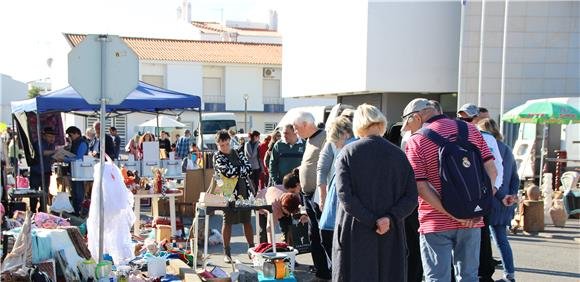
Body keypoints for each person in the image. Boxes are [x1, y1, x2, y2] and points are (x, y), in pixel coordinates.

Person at [404, 99, 511, 282]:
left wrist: (454, 214)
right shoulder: (469, 130)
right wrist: (477, 207)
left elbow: (420, 186)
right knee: (469, 277)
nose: (408, 128)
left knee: (438, 278)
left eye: (408, 122)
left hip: (435, 222)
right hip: (473, 219)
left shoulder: (417, 140)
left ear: (417, 116)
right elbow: (492, 170)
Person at [332, 104, 418, 281]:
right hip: (390, 231)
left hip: (356, 230)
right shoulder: (399, 155)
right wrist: (389, 218)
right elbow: (411, 197)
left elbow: (345, 197)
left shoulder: (347, 153)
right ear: (381, 123)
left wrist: (372, 221)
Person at [458, 104, 504, 282]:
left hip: (482, 193)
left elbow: (497, 166)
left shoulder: (486, 138)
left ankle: (484, 273)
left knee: (481, 235)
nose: (466, 122)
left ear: (477, 118)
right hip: (462, 194)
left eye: (469, 118)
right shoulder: (453, 135)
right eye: (462, 119)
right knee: (462, 235)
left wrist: (493, 190)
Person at [400, 99, 444, 282]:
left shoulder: (414, 138)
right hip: (459, 205)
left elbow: (415, 180)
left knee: (419, 254)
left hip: (424, 206)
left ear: (417, 117)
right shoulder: (462, 131)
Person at [477, 118, 519, 282]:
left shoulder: (485, 148)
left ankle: (481, 274)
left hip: (490, 200)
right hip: (505, 201)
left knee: (482, 242)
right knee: (501, 240)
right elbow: (515, 177)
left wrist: (500, 195)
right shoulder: (507, 149)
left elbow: (492, 176)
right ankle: (510, 274)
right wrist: (511, 195)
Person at [293, 111, 331, 280]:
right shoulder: (309, 139)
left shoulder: (324, 137)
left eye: (296, 128)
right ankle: (321, 272)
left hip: (319, 195)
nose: (295, 131)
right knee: (313, 235)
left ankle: (330, 271)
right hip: (308, 195)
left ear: (307, 125)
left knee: (323, 235)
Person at [213, 130, 255, 263]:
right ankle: (227, 252)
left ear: (230, 142)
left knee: (247, 220)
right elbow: (225, 171)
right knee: (228, 221)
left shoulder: (238, 152)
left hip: (243, 190)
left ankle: (252, 250)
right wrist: (239, 170)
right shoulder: (217, 156)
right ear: (217, 144)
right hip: (228, 192)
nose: (224, 147)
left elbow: (249, 168)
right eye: (221, 145)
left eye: (226, 144)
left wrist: (235, 170)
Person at [318, 116, 354, 268]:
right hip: (335, 217)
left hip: (335, 219)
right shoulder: (349, 149)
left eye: (335, 139)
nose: (335, 144)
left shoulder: (348, 151)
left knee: (339, 262)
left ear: (345, 134)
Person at [258, 169, 308, 244]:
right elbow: (269, 227)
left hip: (283, 202)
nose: (289, 214)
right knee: (264, 233)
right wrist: (272, 248)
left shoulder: (294, 196)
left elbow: (301, 208)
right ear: (283, 208)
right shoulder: (273, 207)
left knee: (288, 228)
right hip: (262, 202)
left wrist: (303, 215)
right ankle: (264, 251)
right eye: (288, 212)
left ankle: (287, 247)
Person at [29, 127, 57, 212]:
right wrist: (55, 151)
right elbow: (42, 152)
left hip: (46, 171)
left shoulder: (52, 145)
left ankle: (42, 210)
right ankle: (33, 210)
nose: (52, 138)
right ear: (44, 136)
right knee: (34, 192)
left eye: (53, 136)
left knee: (45, 192)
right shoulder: (38, 143)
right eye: (50, 136)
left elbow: (51, 157)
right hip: (36, 171)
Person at [64, 126, 89, 215]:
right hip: (74, 170)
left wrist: (65, 159)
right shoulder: (75, 142)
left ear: (76, 133)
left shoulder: (82, 143)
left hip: (79, 172)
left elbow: (79, 158)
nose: (70, 138)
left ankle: (79, 211)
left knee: (78, 193)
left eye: (70, 135)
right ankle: (76, 210)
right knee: (74, 192)